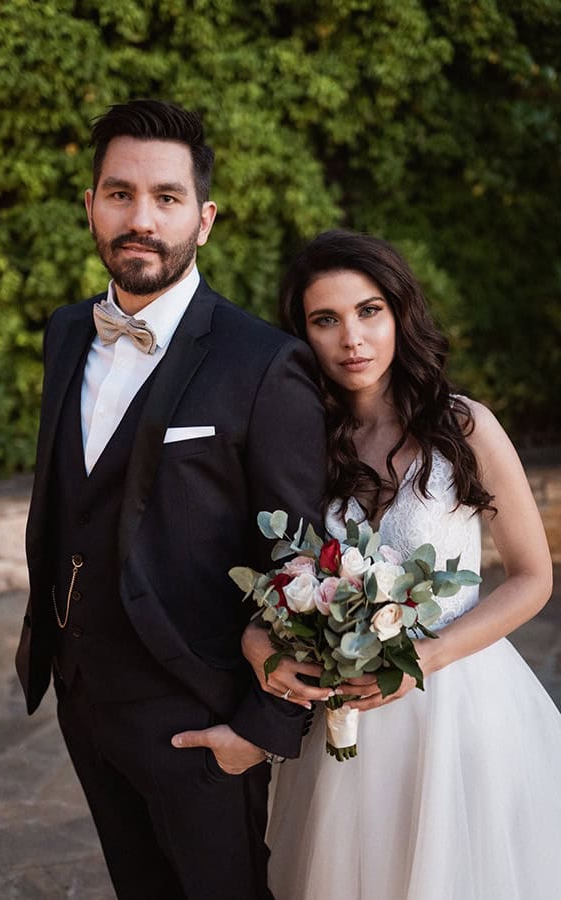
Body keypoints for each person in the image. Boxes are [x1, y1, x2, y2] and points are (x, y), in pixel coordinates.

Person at [15, 99, 327, 900]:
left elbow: (301, 558)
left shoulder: (265, 363)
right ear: (90, 206)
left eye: (166, 198)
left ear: (205, 218)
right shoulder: (65, 334)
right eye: (119, 194)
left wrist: (263, 732)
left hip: (201, 716)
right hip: (85, 701)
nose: (140, 219)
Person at [242, 230, 561, 900]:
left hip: (460, 704)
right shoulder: (301, 445)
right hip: (346, 716)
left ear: (399, 313)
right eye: (325, 320)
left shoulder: (465, 428)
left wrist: (432, 657)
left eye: (369, 311)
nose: (351, 338)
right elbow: (283, 568)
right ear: (301, 335)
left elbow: (533, 578)